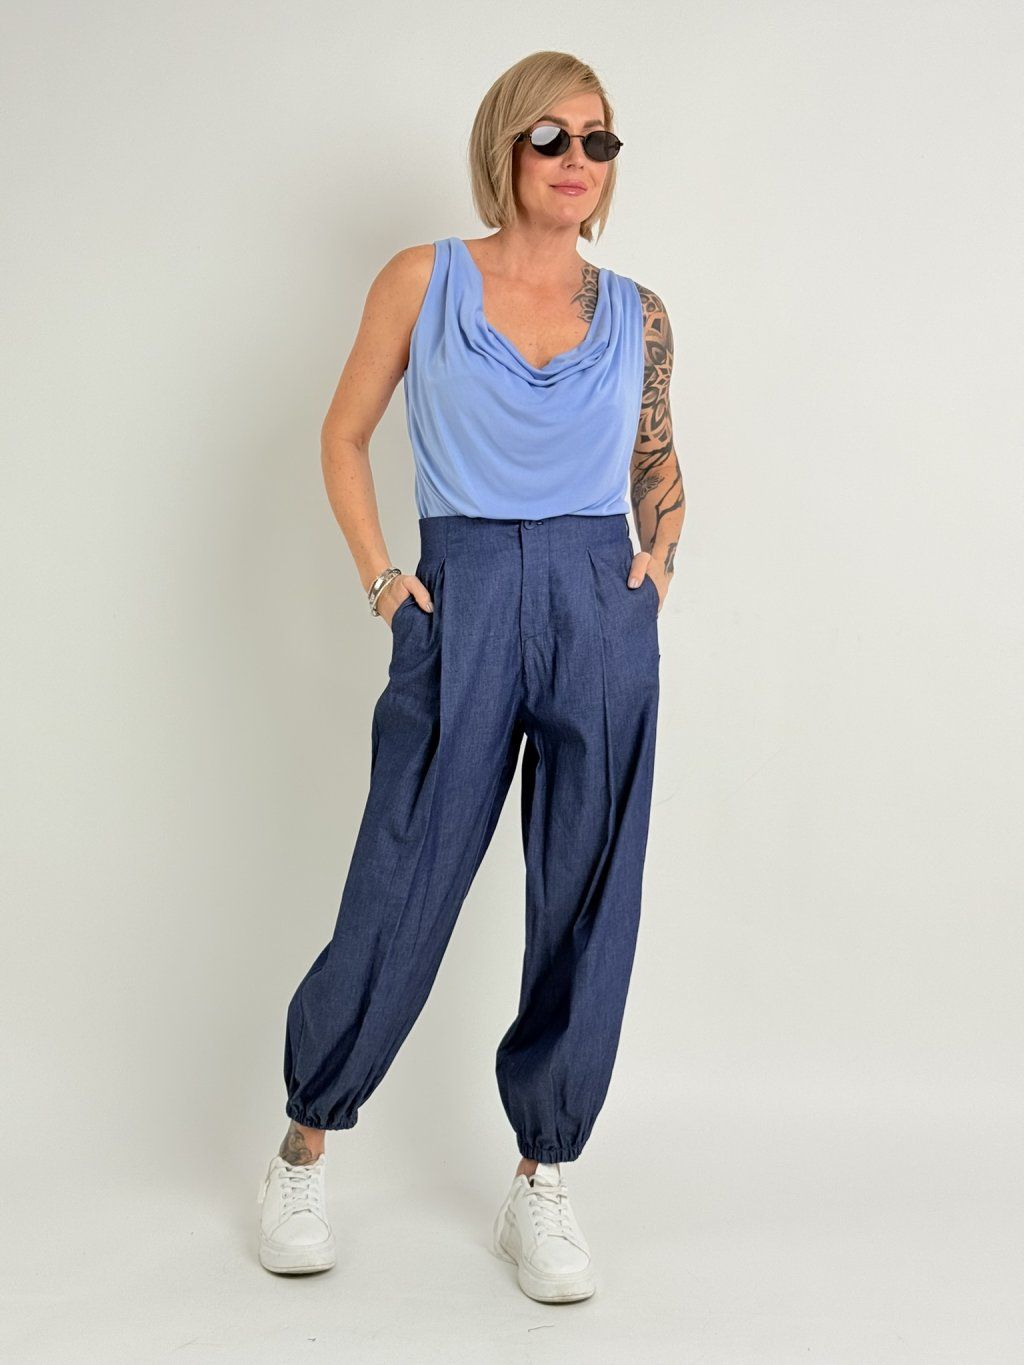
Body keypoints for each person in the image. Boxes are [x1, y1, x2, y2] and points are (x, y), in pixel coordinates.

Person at [256, 50, 685, 1303]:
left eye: (598, 141)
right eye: (551, 136)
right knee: (403, 875)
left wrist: (658, 561)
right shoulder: (423, 277)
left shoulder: (640, 313)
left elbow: (658, 457)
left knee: (587, 891)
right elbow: (343, 434)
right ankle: (304, 1141)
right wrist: (384, 580)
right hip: (463, 593)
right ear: (505, 144)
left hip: (598, 599)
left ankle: (541, 1176)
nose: (575, 161)